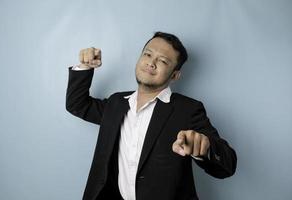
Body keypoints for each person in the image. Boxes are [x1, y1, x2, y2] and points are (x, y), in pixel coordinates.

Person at [66, 31, 237, 200]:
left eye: (163, 60)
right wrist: (85, 66)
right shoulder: (116, 103)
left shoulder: (188, 110)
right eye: (147, 54)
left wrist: (204, 148)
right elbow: (77, 104)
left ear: (175, 75)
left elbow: (227, 165)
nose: (151, 63)